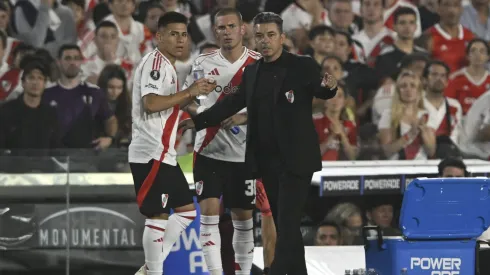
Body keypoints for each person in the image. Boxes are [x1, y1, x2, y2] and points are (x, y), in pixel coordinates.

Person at [179, 12, 337, 275]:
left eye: (271, 35)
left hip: (296, 161)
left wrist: (330, 87)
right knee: (287, 225)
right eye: (260, 36)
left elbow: (321, 89)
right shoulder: (252, 71)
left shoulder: (302, 65)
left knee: (286, 223)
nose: (265, 41)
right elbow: (229, 104)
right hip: (266, 161)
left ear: (282, 37)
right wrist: (198, 122)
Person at [128, 12, 216, 275]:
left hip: (164, 153)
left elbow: (170, 102)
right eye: (173, 34)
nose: (180, 40)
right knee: (157, 216)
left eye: (183, 34)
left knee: (187, 212)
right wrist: (190, 92)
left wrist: (198, 105)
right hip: (151, 151)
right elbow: (151, 103)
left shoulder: (167, 65)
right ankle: (154, 272)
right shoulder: (155, 64)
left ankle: (148, 269)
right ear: (159, 36)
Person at [181, 8, 261, 275]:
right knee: (208, 217)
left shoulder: (259, 63)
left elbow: (270, 108)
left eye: (231, 27)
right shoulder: (202, 63)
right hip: (208, 150)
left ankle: (243, 273)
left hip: (245, 153)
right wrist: (200, 113)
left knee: (244, 220)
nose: (226, 32)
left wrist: (243, 117)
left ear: (242, 30)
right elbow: (188, 100)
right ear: (214, 31)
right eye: (221, 28)